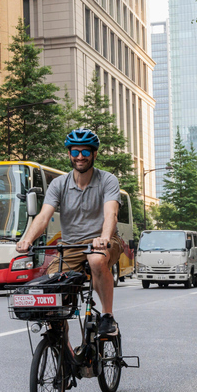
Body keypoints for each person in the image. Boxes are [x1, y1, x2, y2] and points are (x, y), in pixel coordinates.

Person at [16, 128, 123, 336]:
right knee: (51, 284)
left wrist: (104, 238)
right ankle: (63, 347)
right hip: (71, 246)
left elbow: (111, 214)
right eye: (75, 152)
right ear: (69, 154)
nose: (80, 157)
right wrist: (27, 240)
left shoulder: (107, 180)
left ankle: (108, 317)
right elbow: (43, 217)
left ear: (94, 154)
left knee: (95, 259)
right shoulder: (58, 184)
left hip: (104, 242)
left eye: (85, 152)